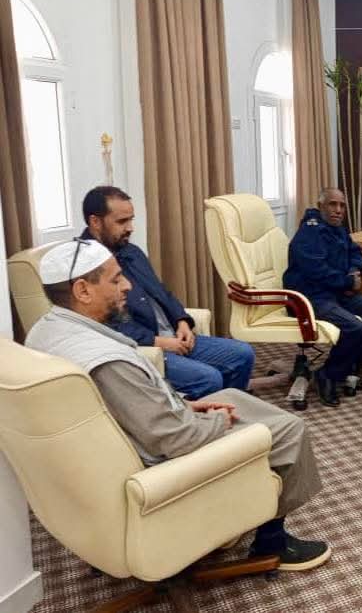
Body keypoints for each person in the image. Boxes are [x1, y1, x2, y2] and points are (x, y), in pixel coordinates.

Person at [26, 239, 331, 570]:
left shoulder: (45, 331)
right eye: (116, 279)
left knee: (232, 396)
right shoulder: (107, 362)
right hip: (159, 458)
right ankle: (272, 543)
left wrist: (184, 404)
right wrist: (217, 420)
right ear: (83, 291)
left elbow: (128, 406)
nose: (127, 285)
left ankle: (233, 510)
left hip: (136, 432)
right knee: (289, 430)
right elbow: (175, 438)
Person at [80, 186, 255, 399]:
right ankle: (198, 417)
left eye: (131, 220)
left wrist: (182, 322)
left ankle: (229, 408)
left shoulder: (130, 251)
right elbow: (104, 324)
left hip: (173, 335)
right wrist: (160, 342)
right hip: (144, 348)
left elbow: (162, 292)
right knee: (209, 379)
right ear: (95, 222)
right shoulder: (84, 265)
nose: (130, 228)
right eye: (122, 221)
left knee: (242, 354)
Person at [283, 188, 362, 407]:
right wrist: (348, 282)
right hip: (310, 298)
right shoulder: (310, 232)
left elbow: (355, 252)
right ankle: (328, 375)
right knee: (353, 327)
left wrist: (354, 271)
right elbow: (316, 271)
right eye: (333, 204)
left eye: (342, 206)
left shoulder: (337, 228)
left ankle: (350, 365)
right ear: (321, 206)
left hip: (333, 293)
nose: (338, 210)